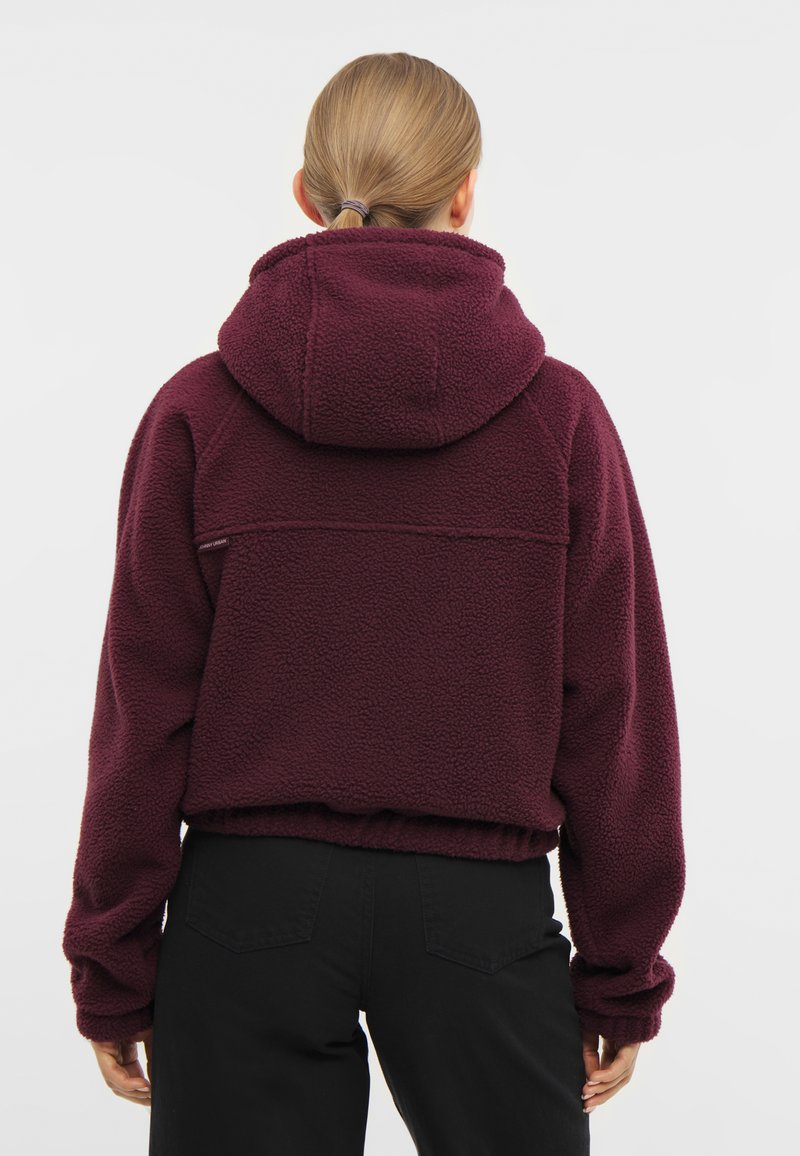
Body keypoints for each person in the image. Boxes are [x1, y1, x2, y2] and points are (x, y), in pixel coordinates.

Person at [62, 51, 686, 1155]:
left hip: (246, 914)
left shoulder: (198, 412)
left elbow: (141, 712)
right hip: (481, 914)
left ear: (307, 194)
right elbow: (614, 713)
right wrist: (619, 970)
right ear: (464, 194)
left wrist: (113, 964)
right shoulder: (560, 420)